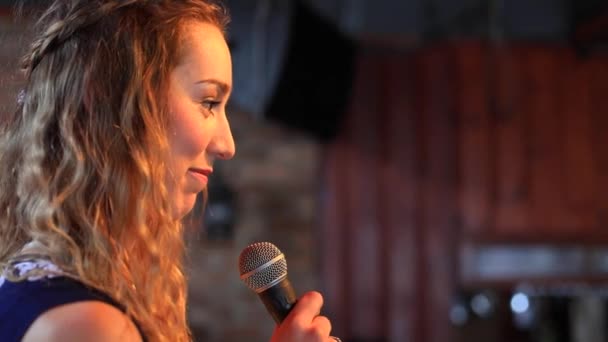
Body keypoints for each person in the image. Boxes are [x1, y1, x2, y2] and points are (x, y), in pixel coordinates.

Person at [0, 1, 336, 341]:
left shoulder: (47, 284)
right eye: (208, 102)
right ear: (107, 97)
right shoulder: (87, 324)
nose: (227, 144)